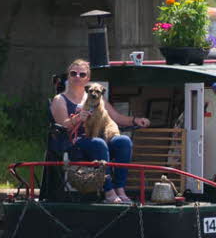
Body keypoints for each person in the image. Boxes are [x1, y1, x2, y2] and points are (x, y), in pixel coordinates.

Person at [50, 59, 150, 204]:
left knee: (123, 141)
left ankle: (120, 189)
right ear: (68, 76)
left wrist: (136, 120)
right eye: (73, 73)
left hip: (98, 139)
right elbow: (62, 126)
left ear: (88, 79)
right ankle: (108, 191)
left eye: (82, 74)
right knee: (99, 143)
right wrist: (78, 118)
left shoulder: (96, 97)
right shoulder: (60, 100)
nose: (77, 77)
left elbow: (116, 117)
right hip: (75, 143)